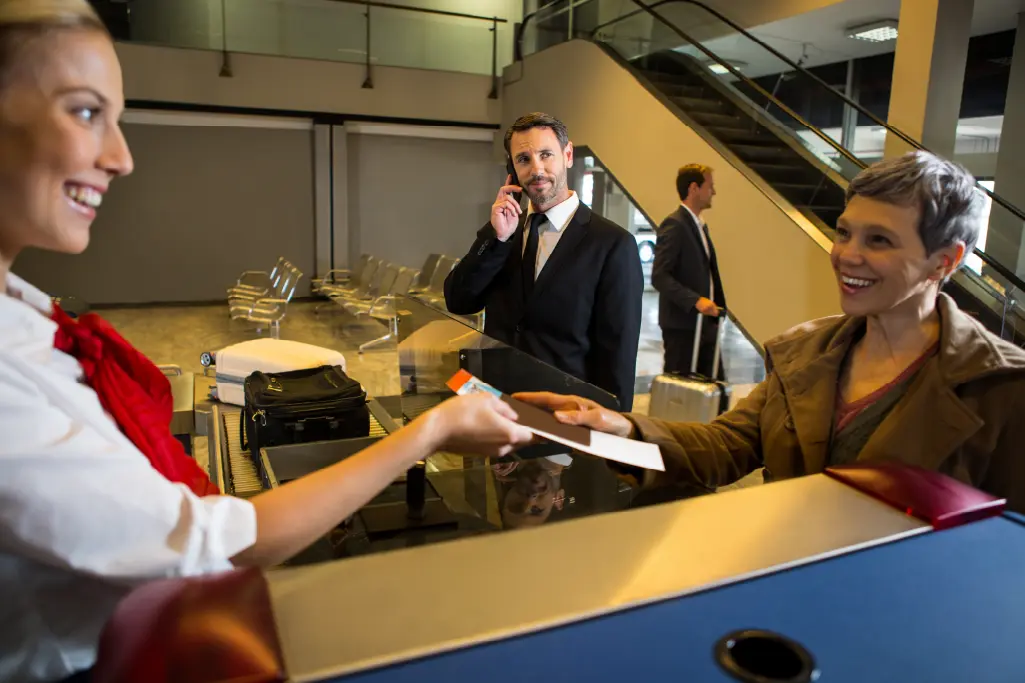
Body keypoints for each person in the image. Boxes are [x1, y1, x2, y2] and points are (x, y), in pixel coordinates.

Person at [0, 3, 533, 680]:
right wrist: (429, 432)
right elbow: (206, 540)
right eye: (84, 112)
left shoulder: (25, 312)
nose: (121, 157)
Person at [517, 152, 1025, 511]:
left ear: (945, 261)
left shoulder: (1003, 390)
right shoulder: (806, 354)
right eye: (844, 232)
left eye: (879, 240)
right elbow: (724, 447)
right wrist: (619, 428)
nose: (848, 255)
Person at [444, 112, 644, 411]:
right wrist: (497, 239)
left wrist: (609, 433)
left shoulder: (613, 244)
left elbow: (618, 354)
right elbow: (458, 301)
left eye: (546, 155)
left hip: (564, 414)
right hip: (498, 404)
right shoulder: (504, 233)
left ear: (567, 155)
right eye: (523, 159)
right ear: (512, 170)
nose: (536, 169)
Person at [652, 164, 726, 378]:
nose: (713, 192)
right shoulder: (675, 225)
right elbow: (660, 276)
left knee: (713, 387)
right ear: (694, 188)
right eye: (709, 186)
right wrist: (695, 300)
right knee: (680, 391)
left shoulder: (699, 225)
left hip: (703, 324)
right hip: (683, 326)